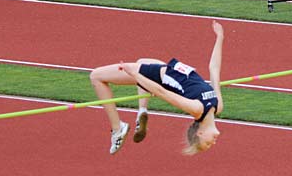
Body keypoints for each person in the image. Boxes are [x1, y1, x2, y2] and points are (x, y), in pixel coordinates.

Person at [89, 20, 224, 155]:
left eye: (207, 143)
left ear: (200, 133)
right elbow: (214, 70)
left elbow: (162, 93)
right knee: (142, 61)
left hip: (157, 76)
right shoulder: (218, 107)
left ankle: (117, 129)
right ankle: (142, 110)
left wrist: (136, 74)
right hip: (166, 70)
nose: (213, 143)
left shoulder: (197, 109)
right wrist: (220, 38)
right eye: (209, 144)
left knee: (96, 76)